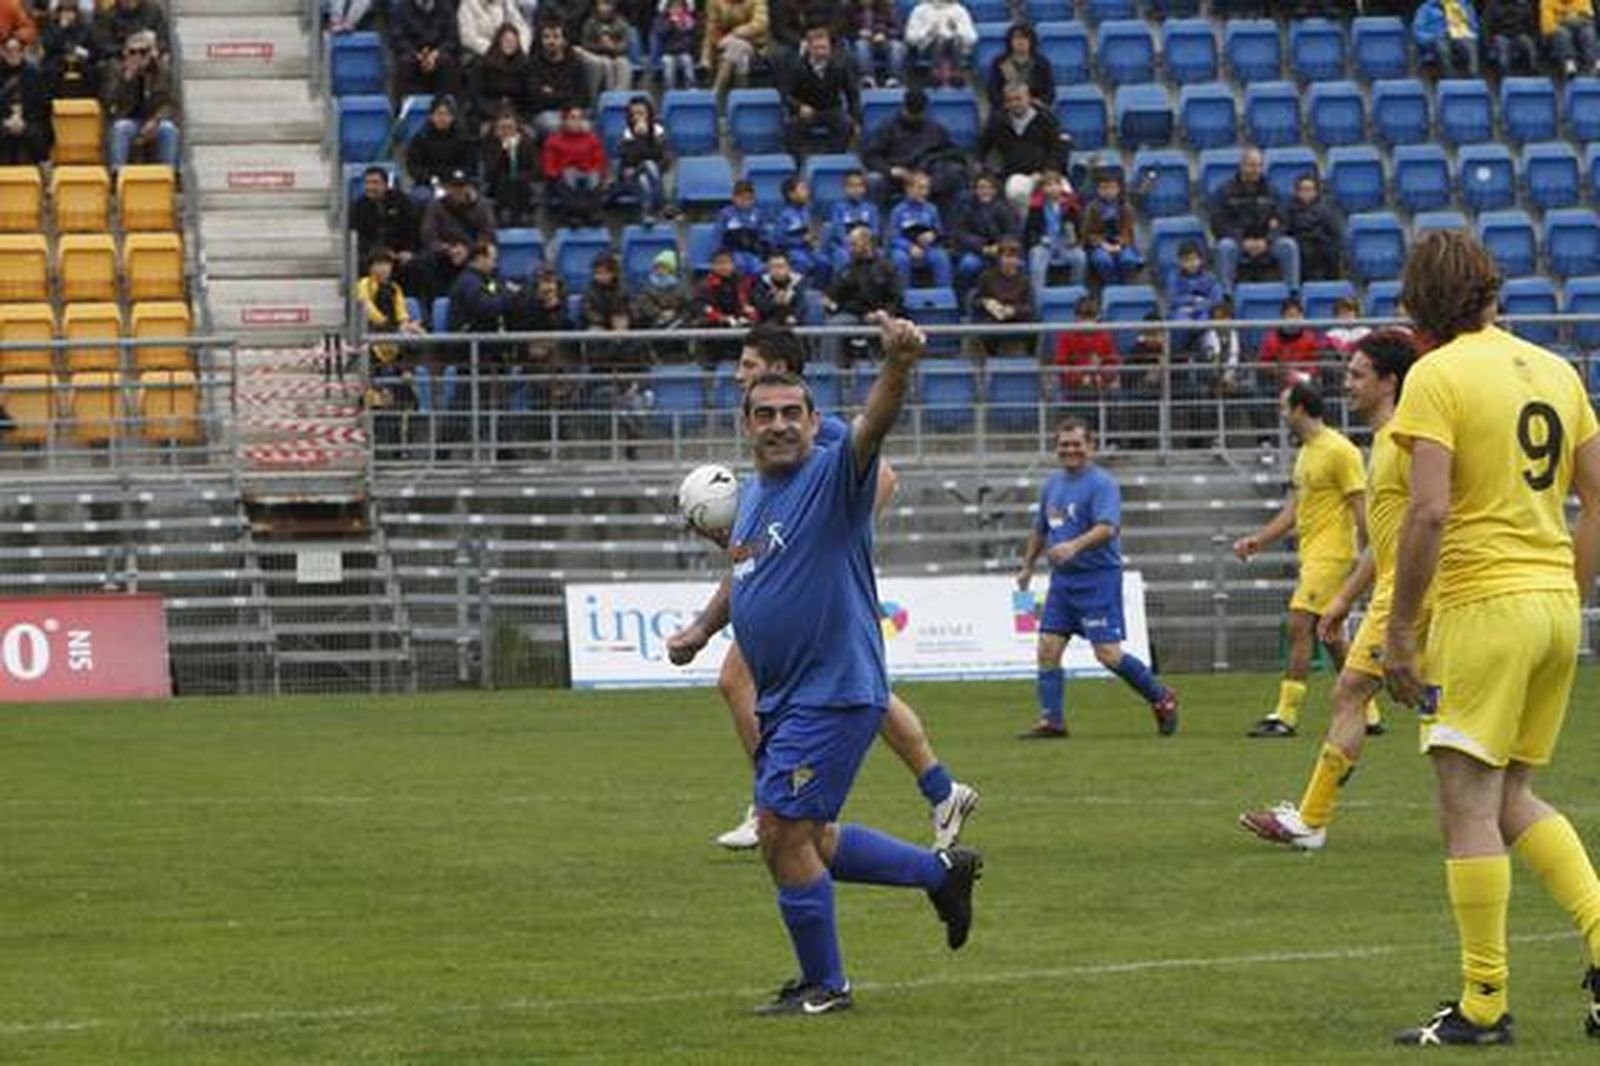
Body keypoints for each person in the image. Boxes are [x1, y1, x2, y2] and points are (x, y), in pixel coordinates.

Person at [666, 318, 983, 1015]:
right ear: (746, 426)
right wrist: (702, 629)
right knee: (810, 836)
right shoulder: (752, 497)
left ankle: (827, 985)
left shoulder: (833, 476)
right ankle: (940, 874)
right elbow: (746, 575)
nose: (779, 425)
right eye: (765, 415)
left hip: (834, 691)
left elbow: (875, 425)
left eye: (792, 413)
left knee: (781, 831)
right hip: (783, 697)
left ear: (814, 422)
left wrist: (898, 363)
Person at [1382, 230, 1600, 1046]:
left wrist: (1401, 629)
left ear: (1420, 300)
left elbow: (1430, 510)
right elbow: (1598, 498)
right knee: (1512, 798)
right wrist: (1568, 589)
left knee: (1467, 805)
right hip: (1552, 605)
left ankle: (1482, 1003)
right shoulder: (1556, 369)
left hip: (1484, 605)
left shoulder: (1436, 375)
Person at [1240, 331, 1421, 851]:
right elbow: (1386, 536)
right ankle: (1312, 819)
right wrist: (1345, 600)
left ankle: (1311, 814)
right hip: (1393, 586)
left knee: (1363, 692)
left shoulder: (1403, 442)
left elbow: (1424, 522)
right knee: (1361, 691)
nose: (1347, 384)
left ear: (1389, 382)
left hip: (1410, 593)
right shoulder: (1381, 443)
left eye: (1357, 374)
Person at [1015, 418, 1180, 738]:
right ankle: (1052, 720)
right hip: (1063, 582)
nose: (1070, 450)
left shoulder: (1102, 484)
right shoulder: (1052, 484)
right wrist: (1027, 565)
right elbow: (1040, 529)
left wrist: (1073, 546)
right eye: (1064, 445)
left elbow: (1108, 528)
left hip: (1098, 579)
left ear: (1090, 446)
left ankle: (1161, 696)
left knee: (1107, 654)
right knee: (1047, 648)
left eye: (1076, 444)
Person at [1233, 382, 1377, 738]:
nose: (1281, 413)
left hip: (1333, 554)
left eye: (1284, 406)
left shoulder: (1340, 451)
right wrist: (1260, 540)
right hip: (1313, 553)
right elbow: (1295, 509)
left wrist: (1371, 556)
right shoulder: (1307, 452)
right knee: (1330, 634)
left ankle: (1286, 715)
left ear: (1300, 409)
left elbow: (1360, 506)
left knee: (1300, 625)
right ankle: (1369, 711)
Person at [858, 86, 964, 211]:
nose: (914, 117)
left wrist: (927, 176)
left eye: (918, 114)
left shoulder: (936, 129)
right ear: (904, 107)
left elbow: (953, 154)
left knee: (953, 175)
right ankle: (877, 222)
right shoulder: (888, 127)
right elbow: (870, 155)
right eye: (911, 113)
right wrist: (890, 170)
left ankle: (941, 222)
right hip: (897, 177)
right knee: (874, 181)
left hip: (928, 178)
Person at [1208, 148, 1299, 292]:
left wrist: (1267, 240)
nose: (1256, 170)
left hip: (1266, 242)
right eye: (1251, 165)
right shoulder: (1224, 191)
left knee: (1289, 245)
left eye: (1259, 165)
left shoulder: (1272, 190)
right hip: (1238, 242)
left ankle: (1292, 293)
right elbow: (1218, 224)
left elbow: (1282, 222)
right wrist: (1243, 241)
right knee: (1225, 247)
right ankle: (1226, 295)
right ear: (1242, 166)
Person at [979, 81, 1070, 213]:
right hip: (1015, 175)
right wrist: (987, 170)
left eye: (1018, 99)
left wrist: (1047, 171)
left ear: (1029, 98)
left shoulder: (1046, 118)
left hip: (1047, 174)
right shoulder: (998, 121)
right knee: (1016, 191)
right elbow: (981, 146)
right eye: (1010, 100)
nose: (1014, 104)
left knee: (1066, 195)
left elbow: (1060, 148)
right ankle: (1028, 224)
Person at [780, 23, 859, 158]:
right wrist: (799, 107)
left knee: (846, 125)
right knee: (792, 128)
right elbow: (785, 94)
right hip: (806, 109)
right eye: (817, 48)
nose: (821, 52)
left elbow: (852, 93)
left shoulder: (841, 65)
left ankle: (834, 158)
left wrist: (856, 119)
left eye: (824, 48)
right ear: (809, 48)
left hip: (831, 108)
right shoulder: (796, 66)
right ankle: (799, 162)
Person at [824, 225, 902, 363]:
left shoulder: (886, 267)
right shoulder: (847, 270)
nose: (850, 248)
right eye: (849, 244)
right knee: (833, 326)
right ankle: (829, 371)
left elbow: (896, 297)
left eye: (854, 244)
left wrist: (883, 313)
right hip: (855, 315)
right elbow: (835, 296)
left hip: (883, 315)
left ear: (867, 243)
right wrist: (829, 301)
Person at [102, 29, 178, 168]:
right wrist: (127, 80)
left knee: (168, 129)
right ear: (125, 52)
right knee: (120, 128)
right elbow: (109, 102)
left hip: (153, 119)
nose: (137, 56)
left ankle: (169, 173)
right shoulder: (116, 70)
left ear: (151, 53)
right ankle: (117, 172)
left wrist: (156, 120)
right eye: (133, 52)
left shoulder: (162, 71)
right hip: (128, 119)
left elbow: (169, 103)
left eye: (143, 52)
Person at [420, 170, 498, 297]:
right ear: (447, 188)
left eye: (462, 186)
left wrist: (469, 250)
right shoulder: (436, 206)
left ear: (469, 187)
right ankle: (436, 301)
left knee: (489, 261)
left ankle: (490, 294)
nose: (458, 191)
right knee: (426, 263)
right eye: (454, 187)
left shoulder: (482, 206)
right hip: (444, 256)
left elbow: (488, 234)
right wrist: (448, 249)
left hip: (474, 254)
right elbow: (428, 236)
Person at [953, 171, 1020, 290]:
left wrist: (999, 247)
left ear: (995, 190)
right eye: (981, 188)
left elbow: (1012, 233)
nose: (985, 191)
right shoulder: (967, 208)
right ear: (976, 190)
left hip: (1002, 252)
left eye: (989, 188)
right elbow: (961, 233)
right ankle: (965, 297)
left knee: (1015, 264)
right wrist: (982, 248)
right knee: (967, 265)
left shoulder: (1006, 208)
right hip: (977, 252)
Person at [542, 105, 607, 226]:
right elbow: (549, 166)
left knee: (594, 176)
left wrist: (593, 171)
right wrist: (558, 174)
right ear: (564, 121)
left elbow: (599, 162)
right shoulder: (554, 140)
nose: (577, 122)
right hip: (563, 176)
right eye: (572, 118)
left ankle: (593, 213)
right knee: (568, 175)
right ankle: (574, 214)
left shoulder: (592, 139)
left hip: (587, 174)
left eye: (579, 118)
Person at [887, 170, 953, 289]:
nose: (924, 192)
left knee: (941, 257)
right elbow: (893, 237)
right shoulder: (898, 210)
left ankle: (944, 294)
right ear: (909, 189)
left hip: (927, 248)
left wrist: (933, 235)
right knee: (900, 259)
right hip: (904, 249)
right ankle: (903, 296)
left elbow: (939, 231)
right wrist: (909, 247)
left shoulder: (931, 209)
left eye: (927, 188)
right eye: (920, 188)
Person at [1024, 169, 1085, 294]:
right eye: (1048, 185)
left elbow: (1077, 227)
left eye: (1056, 184)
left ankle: (1077, 293)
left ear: (1061, 187)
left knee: (1080, 257)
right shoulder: (1036, 206)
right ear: (1042, 189)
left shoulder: (1070, 205)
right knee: (1037, 261)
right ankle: (1038, 296)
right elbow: (1029, 230)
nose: (1053, 188)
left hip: (1064, 243)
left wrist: (1073, 240)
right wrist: (1039, 240)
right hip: (1043, 244)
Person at [970, 237, 1033, 357]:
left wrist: (1013, 310)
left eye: (1014, 257)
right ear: (999, 258)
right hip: (993, 319)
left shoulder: (1025, 280)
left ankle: (1031, 360)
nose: (1010, 261)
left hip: (1016, 320)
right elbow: (975, 301)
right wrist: (987, 302)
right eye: (1007, 257)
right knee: (985, 328)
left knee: (1035, 327)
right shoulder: (986, 276)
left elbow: (1029, 307)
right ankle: (989, 360)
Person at [526, 21, 594, 134]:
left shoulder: (576, 64)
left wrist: (552, 94)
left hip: (573, 111)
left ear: (564, 41)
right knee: (552, 125)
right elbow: (535, 99)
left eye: (556, 37)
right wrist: (565, 95)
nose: (551, 41)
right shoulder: (533, 65)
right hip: (546, 113)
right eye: (546, 37)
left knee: (588, 126)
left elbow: (584, 96)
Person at [1079, 169, 1143, 287]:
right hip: (1099, 244)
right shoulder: (1091, 208)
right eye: (1104, 188)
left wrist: (1120, 244)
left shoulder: (1125, 207)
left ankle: (1124, 282)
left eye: (1112, 188)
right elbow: (1087, 232)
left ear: (1118, 189)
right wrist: (1103, 244)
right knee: (1103, 260)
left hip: (1121, 243)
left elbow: (1128, 230)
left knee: (1128, 259)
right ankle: (1112, 284)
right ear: (1098, 190)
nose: (1108, 191)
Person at [393, 0, 464, 100]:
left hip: (438, 54)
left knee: (448, 61)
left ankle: (446, 105)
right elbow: (398, 39)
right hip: (414, 54)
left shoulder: (446, 7)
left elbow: (452, 38)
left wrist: (436, 54)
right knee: (405, 62)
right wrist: (417, 55)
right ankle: (408, 106)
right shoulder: (402, 8)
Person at [614, 94, 670, 221]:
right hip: (630, 178)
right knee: (648, 165)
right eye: (634, 114)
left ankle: (647, 214)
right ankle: (662, 204)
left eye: (641, 113)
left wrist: (647, 158)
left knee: (645, 178)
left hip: (651, 175)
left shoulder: (658, 131)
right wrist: (640, 137)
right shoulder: (627, 134)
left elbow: (664, 159)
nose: (637, 117)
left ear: (649, 114)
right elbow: (628, 160)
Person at [703, 0, 770, 103]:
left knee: (737, 47)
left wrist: (734, 34)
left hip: (753, 44)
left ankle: (715, 95)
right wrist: (706, 57)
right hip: (724, 45)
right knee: (740, 57)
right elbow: (711, 29)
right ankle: (741, 102)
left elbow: (760, 24)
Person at [406, 95, 478, 191]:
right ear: (431, 117)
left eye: (446, 114)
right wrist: (429, 178)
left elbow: (470, 165)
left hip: (457, 183)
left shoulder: (464, 139)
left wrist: (458, 176)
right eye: (438, 114)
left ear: (452, 117)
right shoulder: (420, 138)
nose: (442, 118)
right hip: (428, 184)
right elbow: (414, 166)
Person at [1258, 296, 1329, 391]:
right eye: (1290, 315)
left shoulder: (1310, 337)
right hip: (1277, 383)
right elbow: (1264, 364)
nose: (1294, 319)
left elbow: (1315, 364)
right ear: (1282, 316)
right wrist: (1279, 372)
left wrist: (1300, 375)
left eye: (1297, 315)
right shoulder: (1271, 338)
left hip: (1303, 384)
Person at [481, 106, 538, 225]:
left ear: (517, 128)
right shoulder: (489, 143)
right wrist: (503, 150)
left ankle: (521, 217)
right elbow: (490, 173)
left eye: (510, 127)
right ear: (496, 129)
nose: (507, 131)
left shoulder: (527, 142)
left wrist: (520, 176)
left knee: (517, 180)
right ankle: (506, 215)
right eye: (503, 127)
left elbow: (536, 170)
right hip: (497, 185)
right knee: (505, 179)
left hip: (522, 185)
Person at [469, 23, 532, 128]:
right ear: (498, 41)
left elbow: (528, 97)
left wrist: (516, 117)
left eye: (513, 41)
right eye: (506, 40)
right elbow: (477, 96)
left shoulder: (524, 65)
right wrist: (495, 114)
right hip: (488, 115)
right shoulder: (483, 64)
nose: (510, 44)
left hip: (517, 115)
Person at [1284, 174, 1343, 284]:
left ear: (1316, 191)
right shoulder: (1289, 210)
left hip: (1323, 248)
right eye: (1303, 189)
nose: (1307, 193)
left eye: (1310, 189)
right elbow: (1287, 231)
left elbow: (1335, 233)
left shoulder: (1327, 210)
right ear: (1297, 192)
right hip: (1301, 249)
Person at [0, 34, 48, 166]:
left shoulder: (34, 73)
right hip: (3, 119)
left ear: (23, 52)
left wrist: (23, 119)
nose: (13, 54)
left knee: (37, 134)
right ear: (2, 52)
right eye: (9, 51)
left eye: (17, 50)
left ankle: (44, 172)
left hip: (29, 119)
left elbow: (42, 104)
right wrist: (6, 121)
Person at [905, 0, 977, 87]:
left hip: (955, 47)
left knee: (950, 41)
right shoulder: (920, 10)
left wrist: (957, 29)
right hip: (927, 49)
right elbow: (910, 38)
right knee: (940, 40)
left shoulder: (959, 10)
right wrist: (927, 31)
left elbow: (972, 38)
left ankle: (955, 74)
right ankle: (936, 74)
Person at [767, 179, 825, 283]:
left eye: (806, 189)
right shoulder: (783, 215)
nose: (807, 192)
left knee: (823, 262)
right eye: (802, 189)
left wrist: (814, 240)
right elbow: (778, 240)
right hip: (791, 250)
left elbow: (811, 231)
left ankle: (818, 289)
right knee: (803, 263)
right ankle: (797, 288)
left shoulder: (807, 211)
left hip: (807, 249)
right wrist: (801, 240)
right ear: (792, 194)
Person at [824, 169, 882, 272]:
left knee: (880, 255)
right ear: (845, 188)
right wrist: (853, 245)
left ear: (864, 188)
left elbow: (875, 231)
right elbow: (838, 231)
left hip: (866, 245)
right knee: (842, 256)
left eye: (859, 186)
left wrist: (865, 244)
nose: (856, 189)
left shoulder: (871, 208)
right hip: (844, 246)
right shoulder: (837, 208)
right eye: (851, 186)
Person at [986, 23, 1053, 112]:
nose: (1020, 41)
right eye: (1016, 38)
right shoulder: (999, 62)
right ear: (1010, 41)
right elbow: (992, 91)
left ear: (1031, 41)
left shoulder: (1042, 63)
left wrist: (1030, 102)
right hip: (1006, 109)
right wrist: (1010, 103)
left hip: (1034, 109)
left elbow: (1049, 92)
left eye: (1025, 38)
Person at [41, 1, 98, 102]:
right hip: (58, 60)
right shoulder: (51, 28)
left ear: (76, 14)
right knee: (49, 72)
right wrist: (61, 30)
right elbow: (48, 46)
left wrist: (80, 52)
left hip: (80, 61)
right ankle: (50, 103)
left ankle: (88, 102)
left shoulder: (84, 28)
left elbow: (92, 50)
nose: (67, 15)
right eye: (64, 12)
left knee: (92, 71)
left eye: (70, 12)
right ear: (58, 13)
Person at [714, 179, 769, 277]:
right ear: (733, 198)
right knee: (739, 265)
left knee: (759, 268)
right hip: (732, 252)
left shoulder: (758, 214)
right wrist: (718, 254)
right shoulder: (725, 214)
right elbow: (718, 236)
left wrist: (764, 253)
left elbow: (764, 235)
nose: (745, 202)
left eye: (749, 198)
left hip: (753, 252)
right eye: (742, 198)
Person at [842, 0, 904, 87]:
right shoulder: (850, 8)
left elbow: (899, 30)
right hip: (861, 44)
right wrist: (858, 34)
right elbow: (844, 31)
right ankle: (867, 78)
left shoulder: (887, 7)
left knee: (897, 46)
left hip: (884, 42)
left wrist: (884, 34)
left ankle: (894, 78)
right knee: (861, 44)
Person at [1415, 0, 1483, 74]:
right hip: (1436, 39)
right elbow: (1419, 31)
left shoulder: (1465, 5)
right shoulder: (1426, 8)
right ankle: (1449, 75)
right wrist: (1435, 37)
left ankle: (1473, 74)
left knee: (1471, 43)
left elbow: (1474, 27)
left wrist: (1464, 34)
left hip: (1460, 36)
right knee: (1443, 45)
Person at [582, 0, 636, 90]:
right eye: (602, 5)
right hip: (597, 55)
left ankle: (621, 92)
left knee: (623, 63)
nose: (604, 8)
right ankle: (609, 92)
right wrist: (600, 46)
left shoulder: (621, 23)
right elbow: (585, 44)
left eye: (607, 5)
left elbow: (626, 44)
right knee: (606, 63)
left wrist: (613, 47)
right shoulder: (590, 23)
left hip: (617, 55)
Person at [752, 250, 812, 326]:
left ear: (789, 268)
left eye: (781, 266)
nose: (777, 271)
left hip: (796, 325)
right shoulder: (762, 283)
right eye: (773, 267)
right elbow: (760, 307)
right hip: (767, 326)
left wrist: (794, 316)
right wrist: (775, 302)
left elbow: (802, 305)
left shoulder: (798, 282)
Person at [1540, 0, 1600, 75]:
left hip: (1579, 27)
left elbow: (1588, 18)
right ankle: (1569, 64)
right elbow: (1547, 27)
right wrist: (1565, 21)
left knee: (1588, 32)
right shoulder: (1547, 1)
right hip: (1557, 32)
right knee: (1563, 33)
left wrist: (1573, 20)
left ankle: (1595, 63)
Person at [653, 0, 699, 89]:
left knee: (687, 60)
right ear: (668, 9)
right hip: (668, 52)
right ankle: (669, 88)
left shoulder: (689, 21)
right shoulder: (662, 21)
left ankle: (691, 86)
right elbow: (661, 34)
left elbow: (692, 37)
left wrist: (687, 26)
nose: (677, 10)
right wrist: (671, 23)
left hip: (683, 51)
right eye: (673, 8)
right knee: (669, 64)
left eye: (679, 7)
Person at [458, 0, 531, 56]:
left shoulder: (506, 3)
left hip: (510, 55)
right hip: (482, 56)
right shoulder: (468, 5)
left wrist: (520, 48)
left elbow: (522, 28)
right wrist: (496, 50)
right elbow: (469, 38)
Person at [1483, 0, 1539, 73]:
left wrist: (1529, 33)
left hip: (1519, 33)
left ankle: (1533, 69)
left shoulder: (1522, 4)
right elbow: (1487, 23)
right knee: (1503, 49)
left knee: (1529, 44)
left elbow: (1529, 21)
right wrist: (1489, 38)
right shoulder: (1494, 4)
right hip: (1501, 34)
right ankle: (1504, 72)